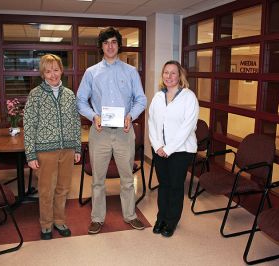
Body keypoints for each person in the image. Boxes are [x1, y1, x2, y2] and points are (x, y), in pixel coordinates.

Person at [77, 27, 147, 234]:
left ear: (118, 46)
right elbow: (80, 101)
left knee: (127, 178)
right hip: (100, 133)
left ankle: (130, 215)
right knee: (98, 179)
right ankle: (97, 218)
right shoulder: (91, 73)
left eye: (114, 42)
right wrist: (93, 116)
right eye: (106, 42)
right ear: (101, 46)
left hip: (125, 132)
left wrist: (130, 116)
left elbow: (141, 99)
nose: (110, 46)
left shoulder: (130, 71)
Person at [24, 54, 81, 240]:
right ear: (42, 74)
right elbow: (29, 124)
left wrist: (78, 148)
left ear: (61, 71)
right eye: (48, 71)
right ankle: (46, 224)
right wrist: (31, 154)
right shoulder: (35, 95)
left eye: (56, 70)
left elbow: (76, 122)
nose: (53, 74)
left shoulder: (69, 95)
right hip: (45, 152)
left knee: (63, 188)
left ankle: (59, 220)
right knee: (46, 189)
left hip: (68, 150)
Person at [148, 60, 199, 237]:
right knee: (164, 186)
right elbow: (152, 123)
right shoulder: (157, 97)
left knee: (176, 187)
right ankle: (160, 218)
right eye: (166, 72)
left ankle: (171, 221)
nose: (169, 76)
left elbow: (187, 127)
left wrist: (168, 148)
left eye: (173, 73)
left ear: (180, 76)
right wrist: (157, 146)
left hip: (181, 150)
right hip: (160, 150)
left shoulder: (188, 97)